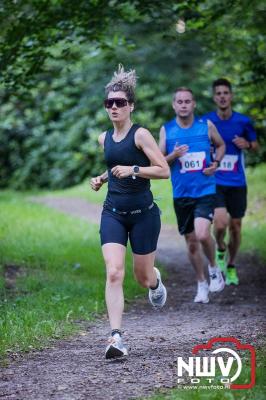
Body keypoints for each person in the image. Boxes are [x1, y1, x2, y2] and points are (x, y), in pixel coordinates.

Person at [90, 65, 169, 359]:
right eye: (109, 103)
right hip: (112, 212)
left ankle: (155, 280)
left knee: (142, 277)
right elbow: (115, 167)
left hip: (143, 214)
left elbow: (163, 171)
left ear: (130, 106)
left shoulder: (141, 135)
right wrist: (103, 177)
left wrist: (134, 169)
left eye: (120, 102)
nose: (114, 107)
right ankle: (116, 338)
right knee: (113, 272)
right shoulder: (104, 138)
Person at [159, 87, 225, 304]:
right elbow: (158, 163)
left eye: (188, 101)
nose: (184, 105)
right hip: (182, 194)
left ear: (194, 104)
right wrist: (174, 155)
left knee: (203, 234)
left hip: (205, 190)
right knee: (191, 242)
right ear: (174, 105)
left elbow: (221, 144)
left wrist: (215, 163)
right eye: (180, 101)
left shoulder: (205, 126)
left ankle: (214, 269)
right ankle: (201, 282)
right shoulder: (166, 130)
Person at [202, 78, 258, 285]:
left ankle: (232, 265)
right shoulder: (207, 122)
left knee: (235, 226)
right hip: (216, 181)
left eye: (226, 93)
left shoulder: (243, 121)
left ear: (231, 96)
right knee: (220, 222)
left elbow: (256, 145)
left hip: (237, 182)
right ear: (214, 97)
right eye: (219, 93)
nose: (222, 96)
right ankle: (220, 248)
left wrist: (248, 145)